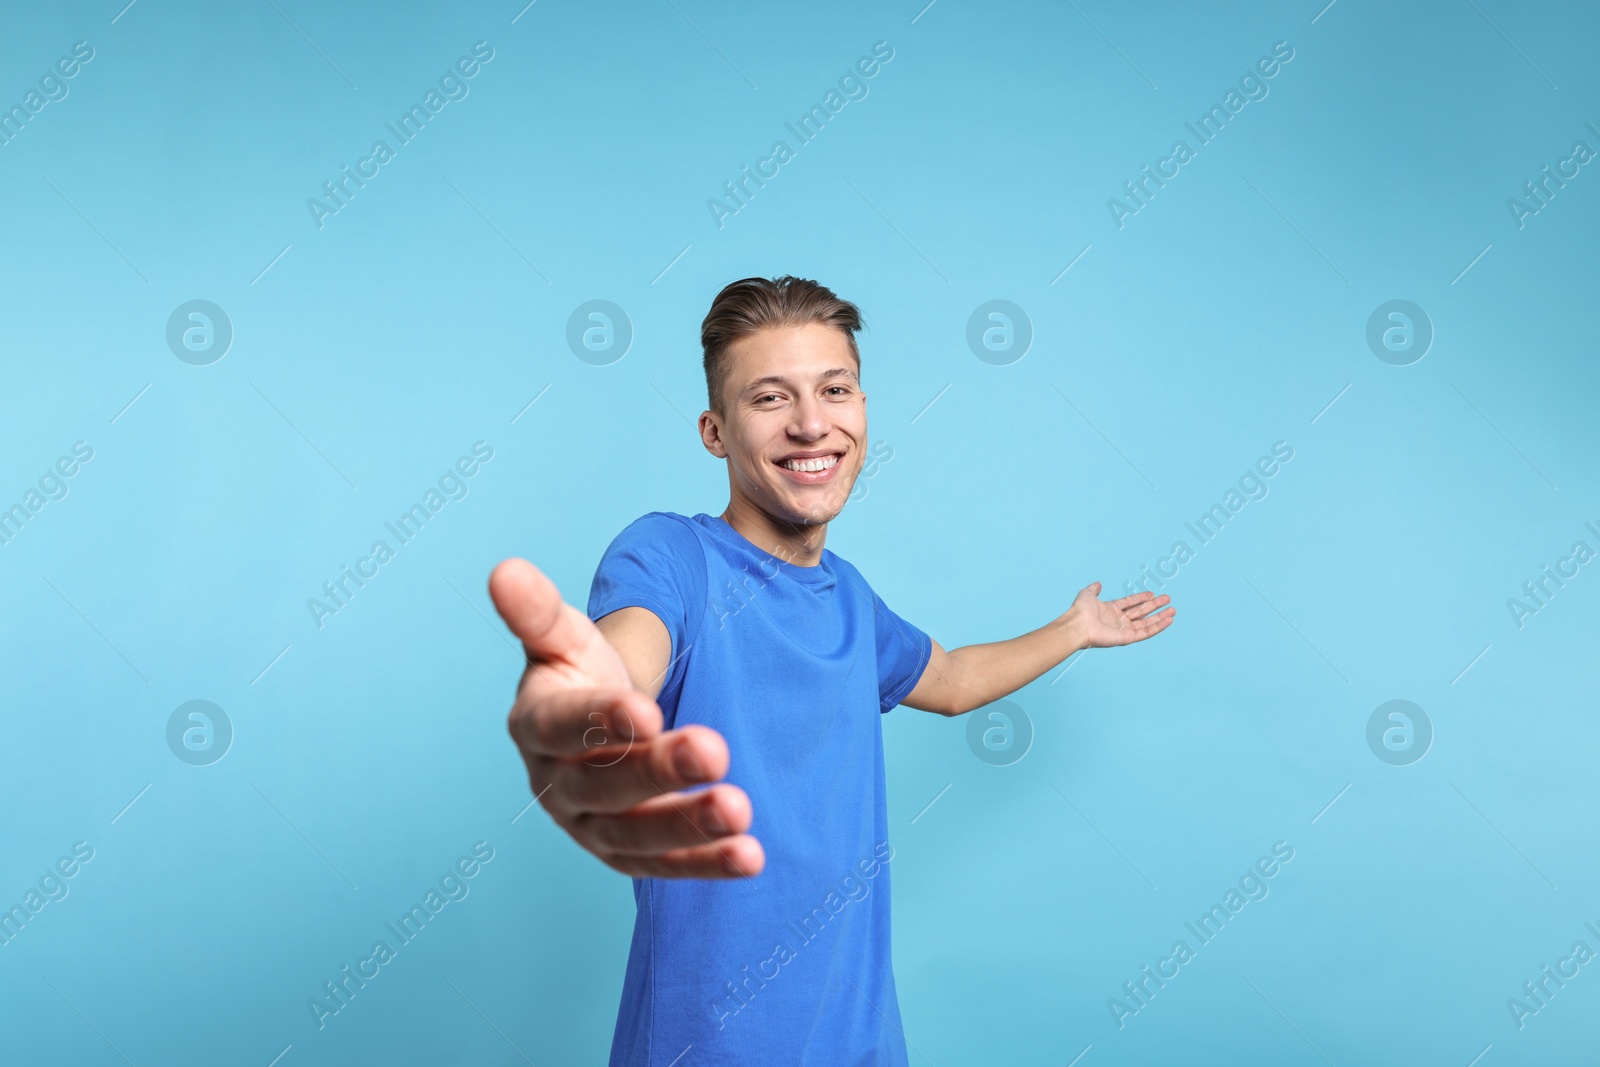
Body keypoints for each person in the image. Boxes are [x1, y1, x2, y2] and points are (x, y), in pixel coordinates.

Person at [488, 276, 1175, 1065]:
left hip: (859, 1044)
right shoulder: (673, 556)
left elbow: (949, 680)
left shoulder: (849, 597)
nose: (812, 422)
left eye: (834, 389)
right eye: (770, 398)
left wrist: (1073, 629)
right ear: (715, 431)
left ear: (863, 408)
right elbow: (621, 661)